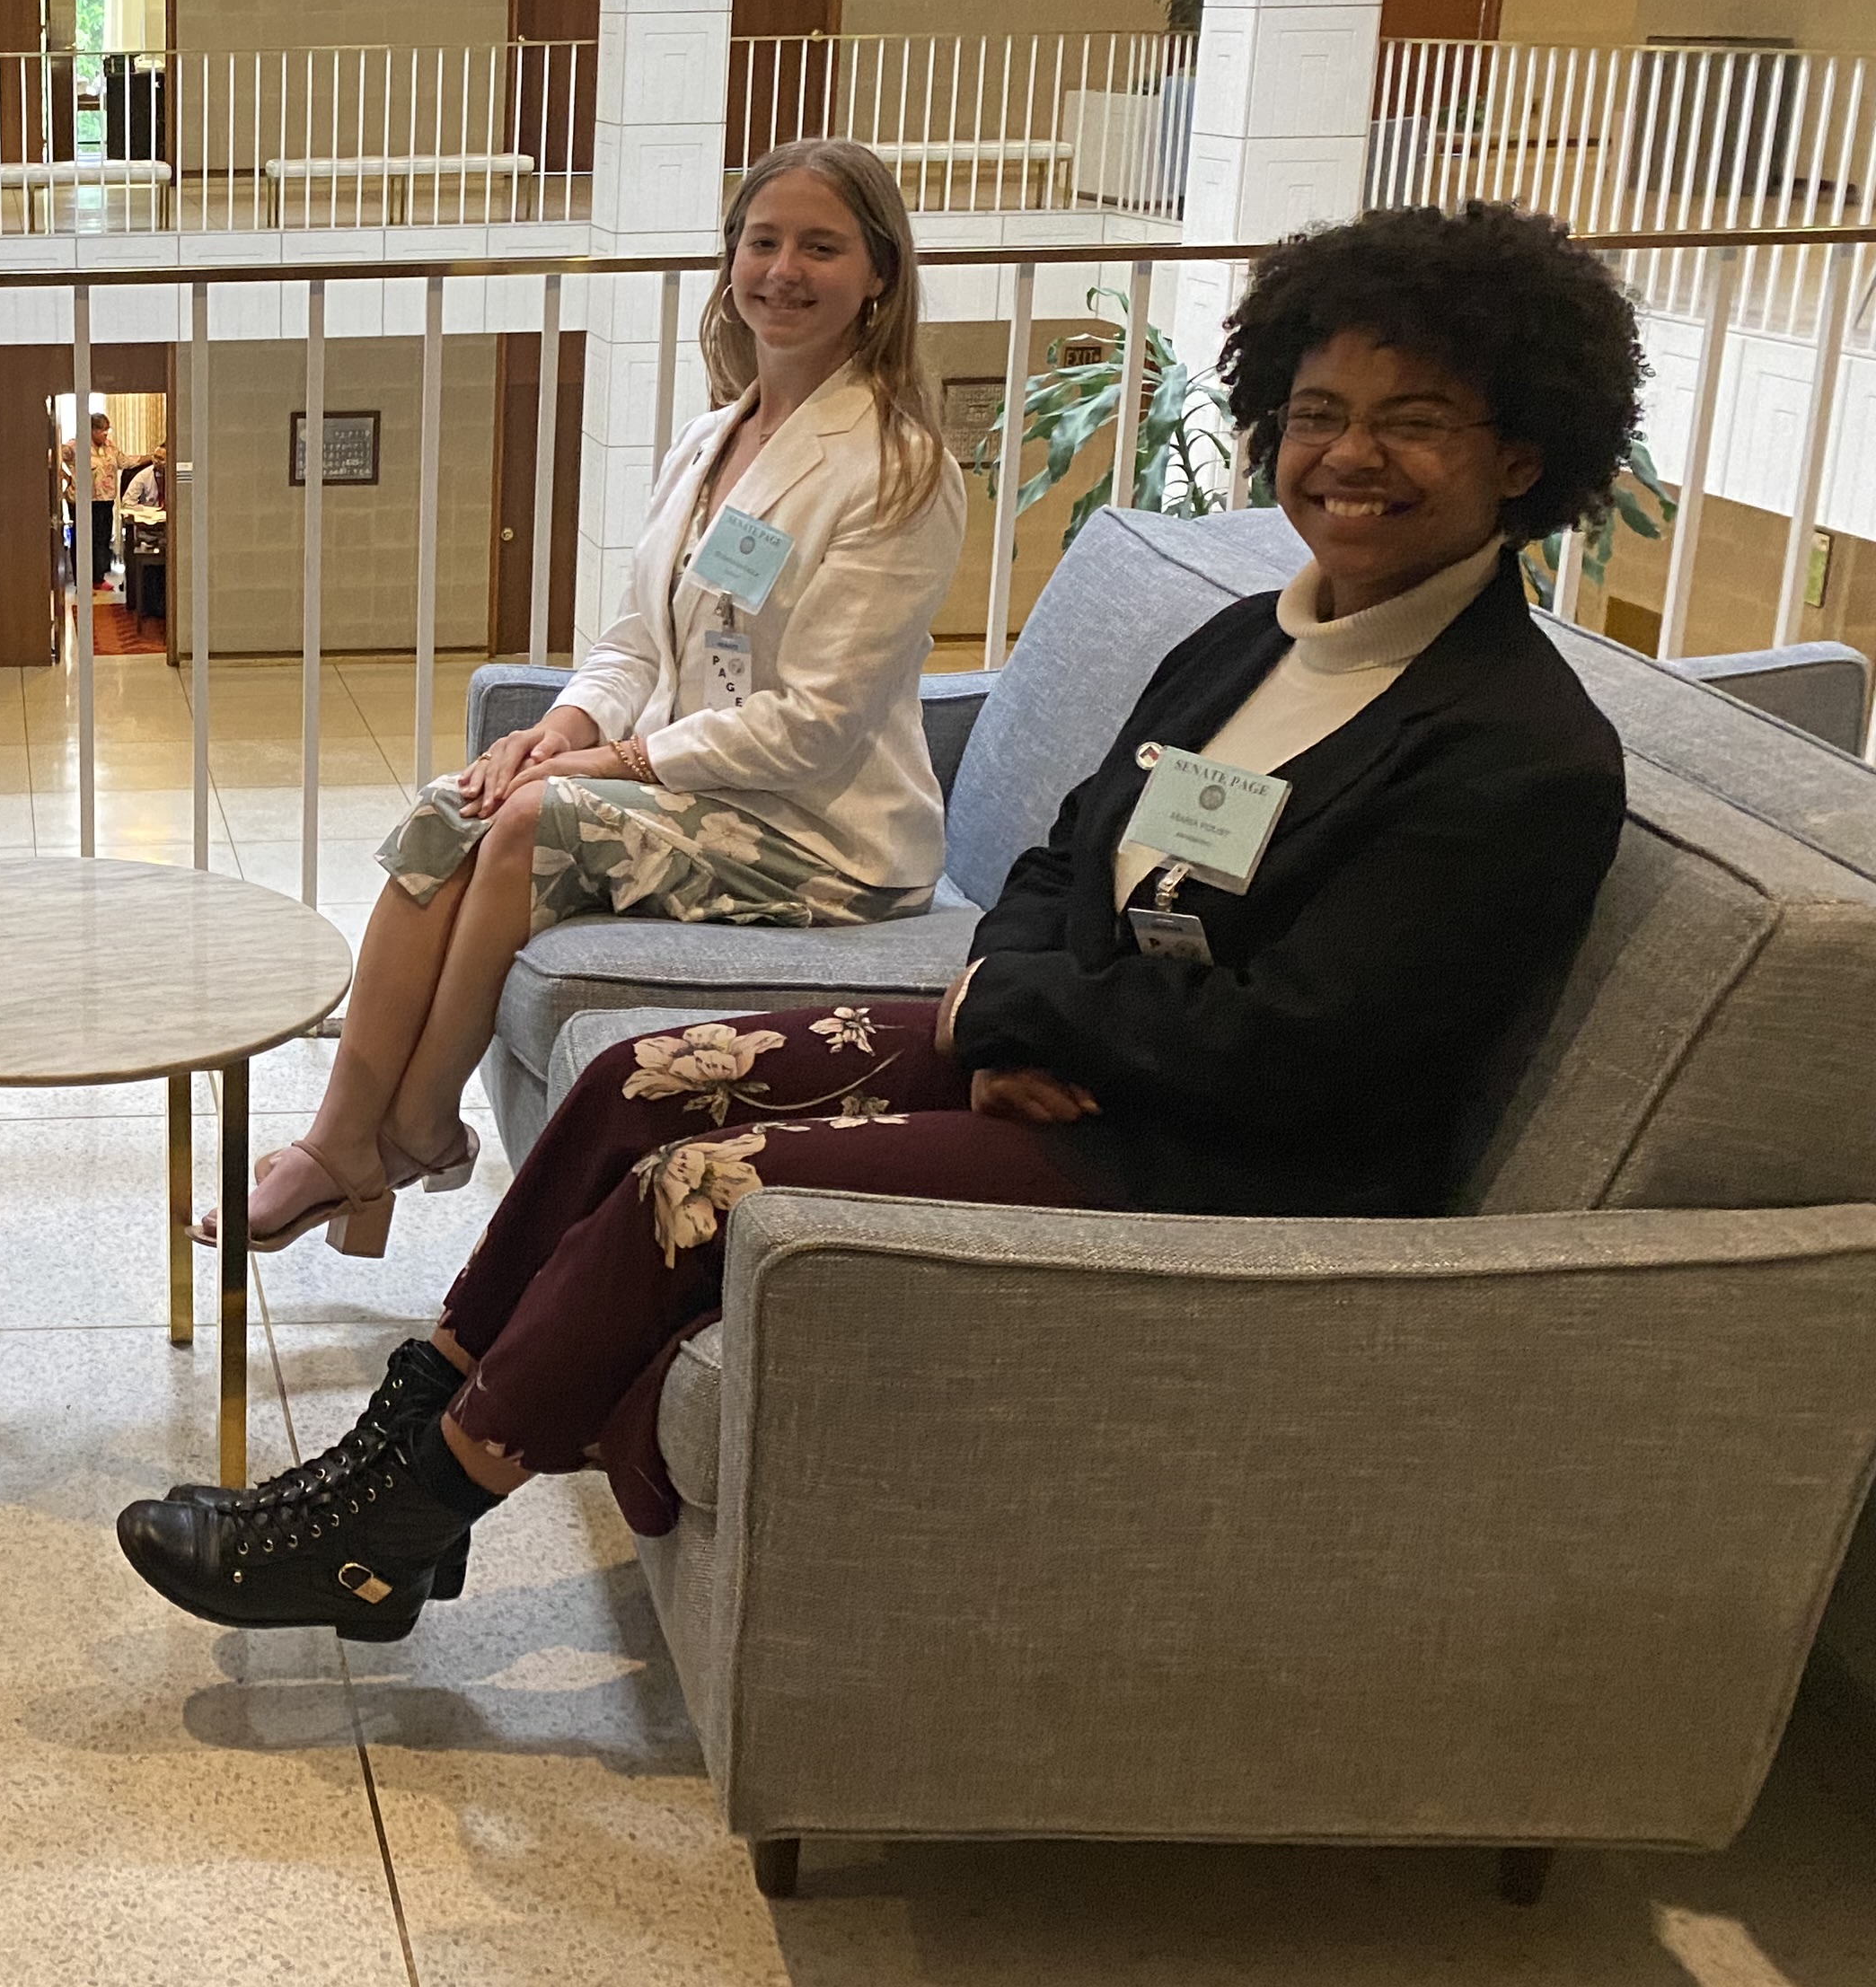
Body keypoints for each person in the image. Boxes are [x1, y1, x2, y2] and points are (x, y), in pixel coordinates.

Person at [115, 201, 1640, 1640]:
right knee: (636, 1080)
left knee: (699, 1178)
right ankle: (405, 1432)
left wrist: (1016, 1019)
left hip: (1217, 1154)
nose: (1346, 454)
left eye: (1412, 420)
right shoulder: (1253, 633)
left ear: (1520, 455)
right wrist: (1007, 997)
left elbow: (1310, 1043)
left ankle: (394, 1525)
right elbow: (1067, 849)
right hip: (1074, 1044)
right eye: (1317, 412)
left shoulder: (1509, 748)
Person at [217, 137, 965, 1260]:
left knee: (534, 820)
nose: (784, 270)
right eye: (762, 242)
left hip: (823, 833)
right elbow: (636, 645)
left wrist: (605, 768)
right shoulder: (713, 439)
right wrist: (557, 727)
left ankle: (407, 1132)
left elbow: (814, 728)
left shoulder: (900, 470)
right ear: (730, 262)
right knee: (458, 802)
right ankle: (346, 1142)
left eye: (822, 246)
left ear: (880, 277)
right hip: (708, 788)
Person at [86, 410, 122, 591]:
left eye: (108, 429)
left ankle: (99, 578)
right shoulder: (77, 446)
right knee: (89, 540)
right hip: (87, 502)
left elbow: (125, 461)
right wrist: (66, 478)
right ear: (92, 430)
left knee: (103, 539)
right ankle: (88, 579)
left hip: (107, 500)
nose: (106, 433)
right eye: (102, 430)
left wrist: (153, 456)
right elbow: (57, 457)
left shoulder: (110, 447)